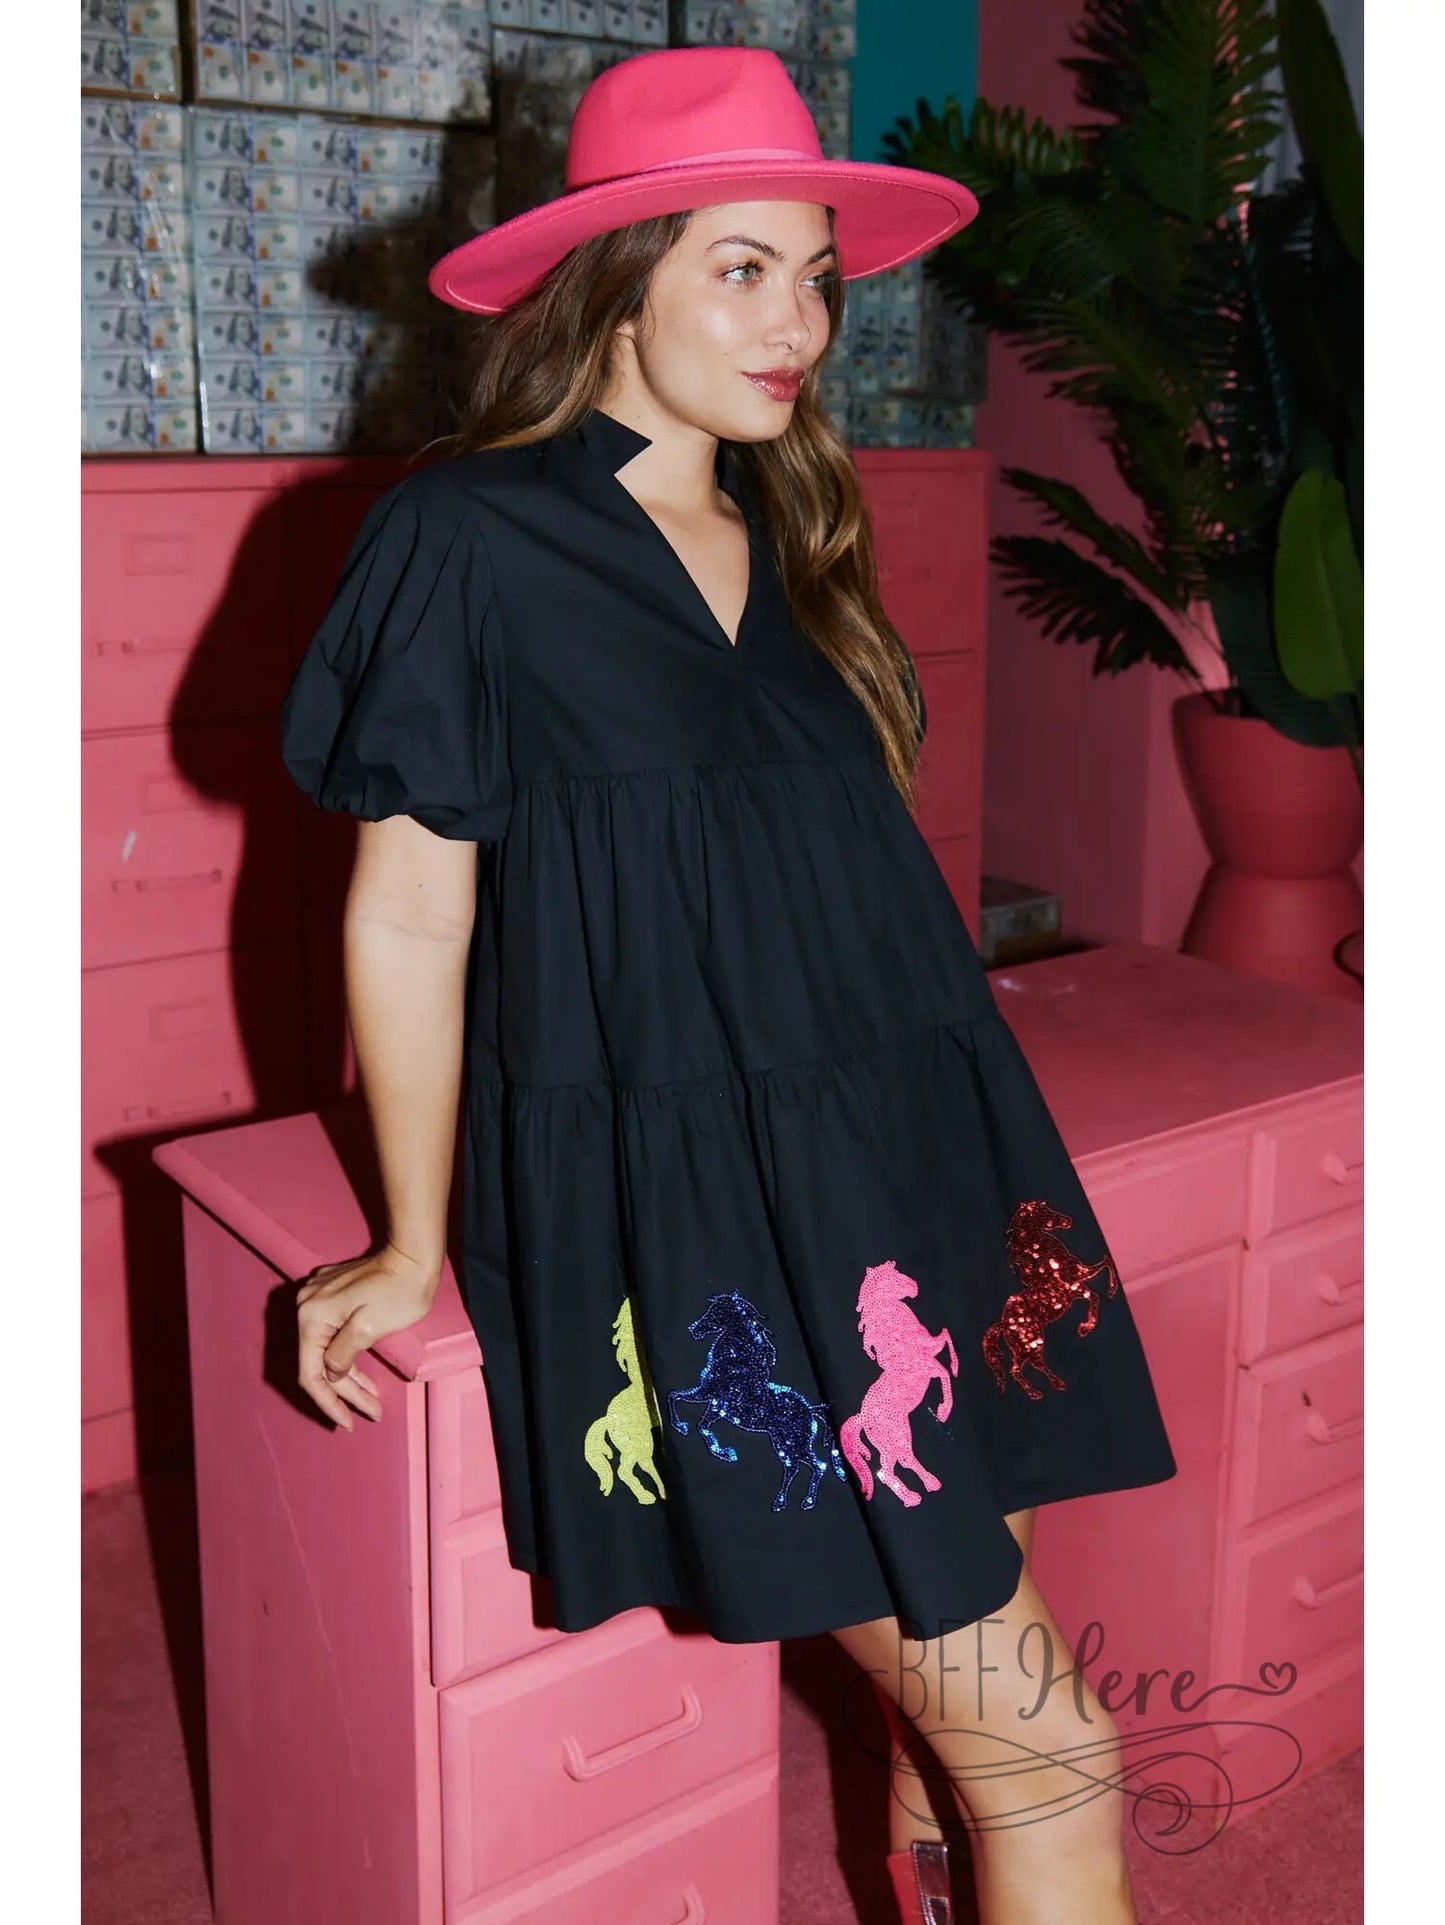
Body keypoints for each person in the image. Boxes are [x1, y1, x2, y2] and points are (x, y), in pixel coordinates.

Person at [279, 44, 1177, 1925]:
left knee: (959, 1700)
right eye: (742, 270)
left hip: (914, 1149)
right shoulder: (466, 537)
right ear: (614, 284)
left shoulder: (790, 530)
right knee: (1055, 1755)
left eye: (816, 276)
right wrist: (413, 1237)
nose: (799, 327)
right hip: (718, 1212)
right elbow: (411, 916)